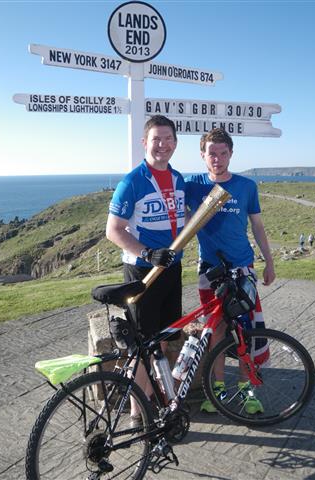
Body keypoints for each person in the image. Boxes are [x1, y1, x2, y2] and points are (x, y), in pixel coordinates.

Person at [185, 128, 275, 414]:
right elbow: (179, 216)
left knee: (246, 331)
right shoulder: (193, 185)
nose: (218, 159)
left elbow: (258, 227)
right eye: (212, 153)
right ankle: (219, 391)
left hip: (242, 268)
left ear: (231, 154)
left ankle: (248, 391)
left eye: (223, 153)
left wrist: (269, 262)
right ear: (202, 155)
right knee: (217, 330)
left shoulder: (246, 186)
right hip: (209, 270)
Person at [106, 115, 185, 426]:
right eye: (156, 139)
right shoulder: (132, 181)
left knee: (161, 341)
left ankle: (154, 402)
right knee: (141, 346)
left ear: (176, 143)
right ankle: (137, 416)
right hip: (142, 272)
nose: (162, 145)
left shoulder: (179, 179)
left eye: (168, 139)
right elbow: (113, 230)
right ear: (144, 143)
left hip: (172, 271)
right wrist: (148, 253)